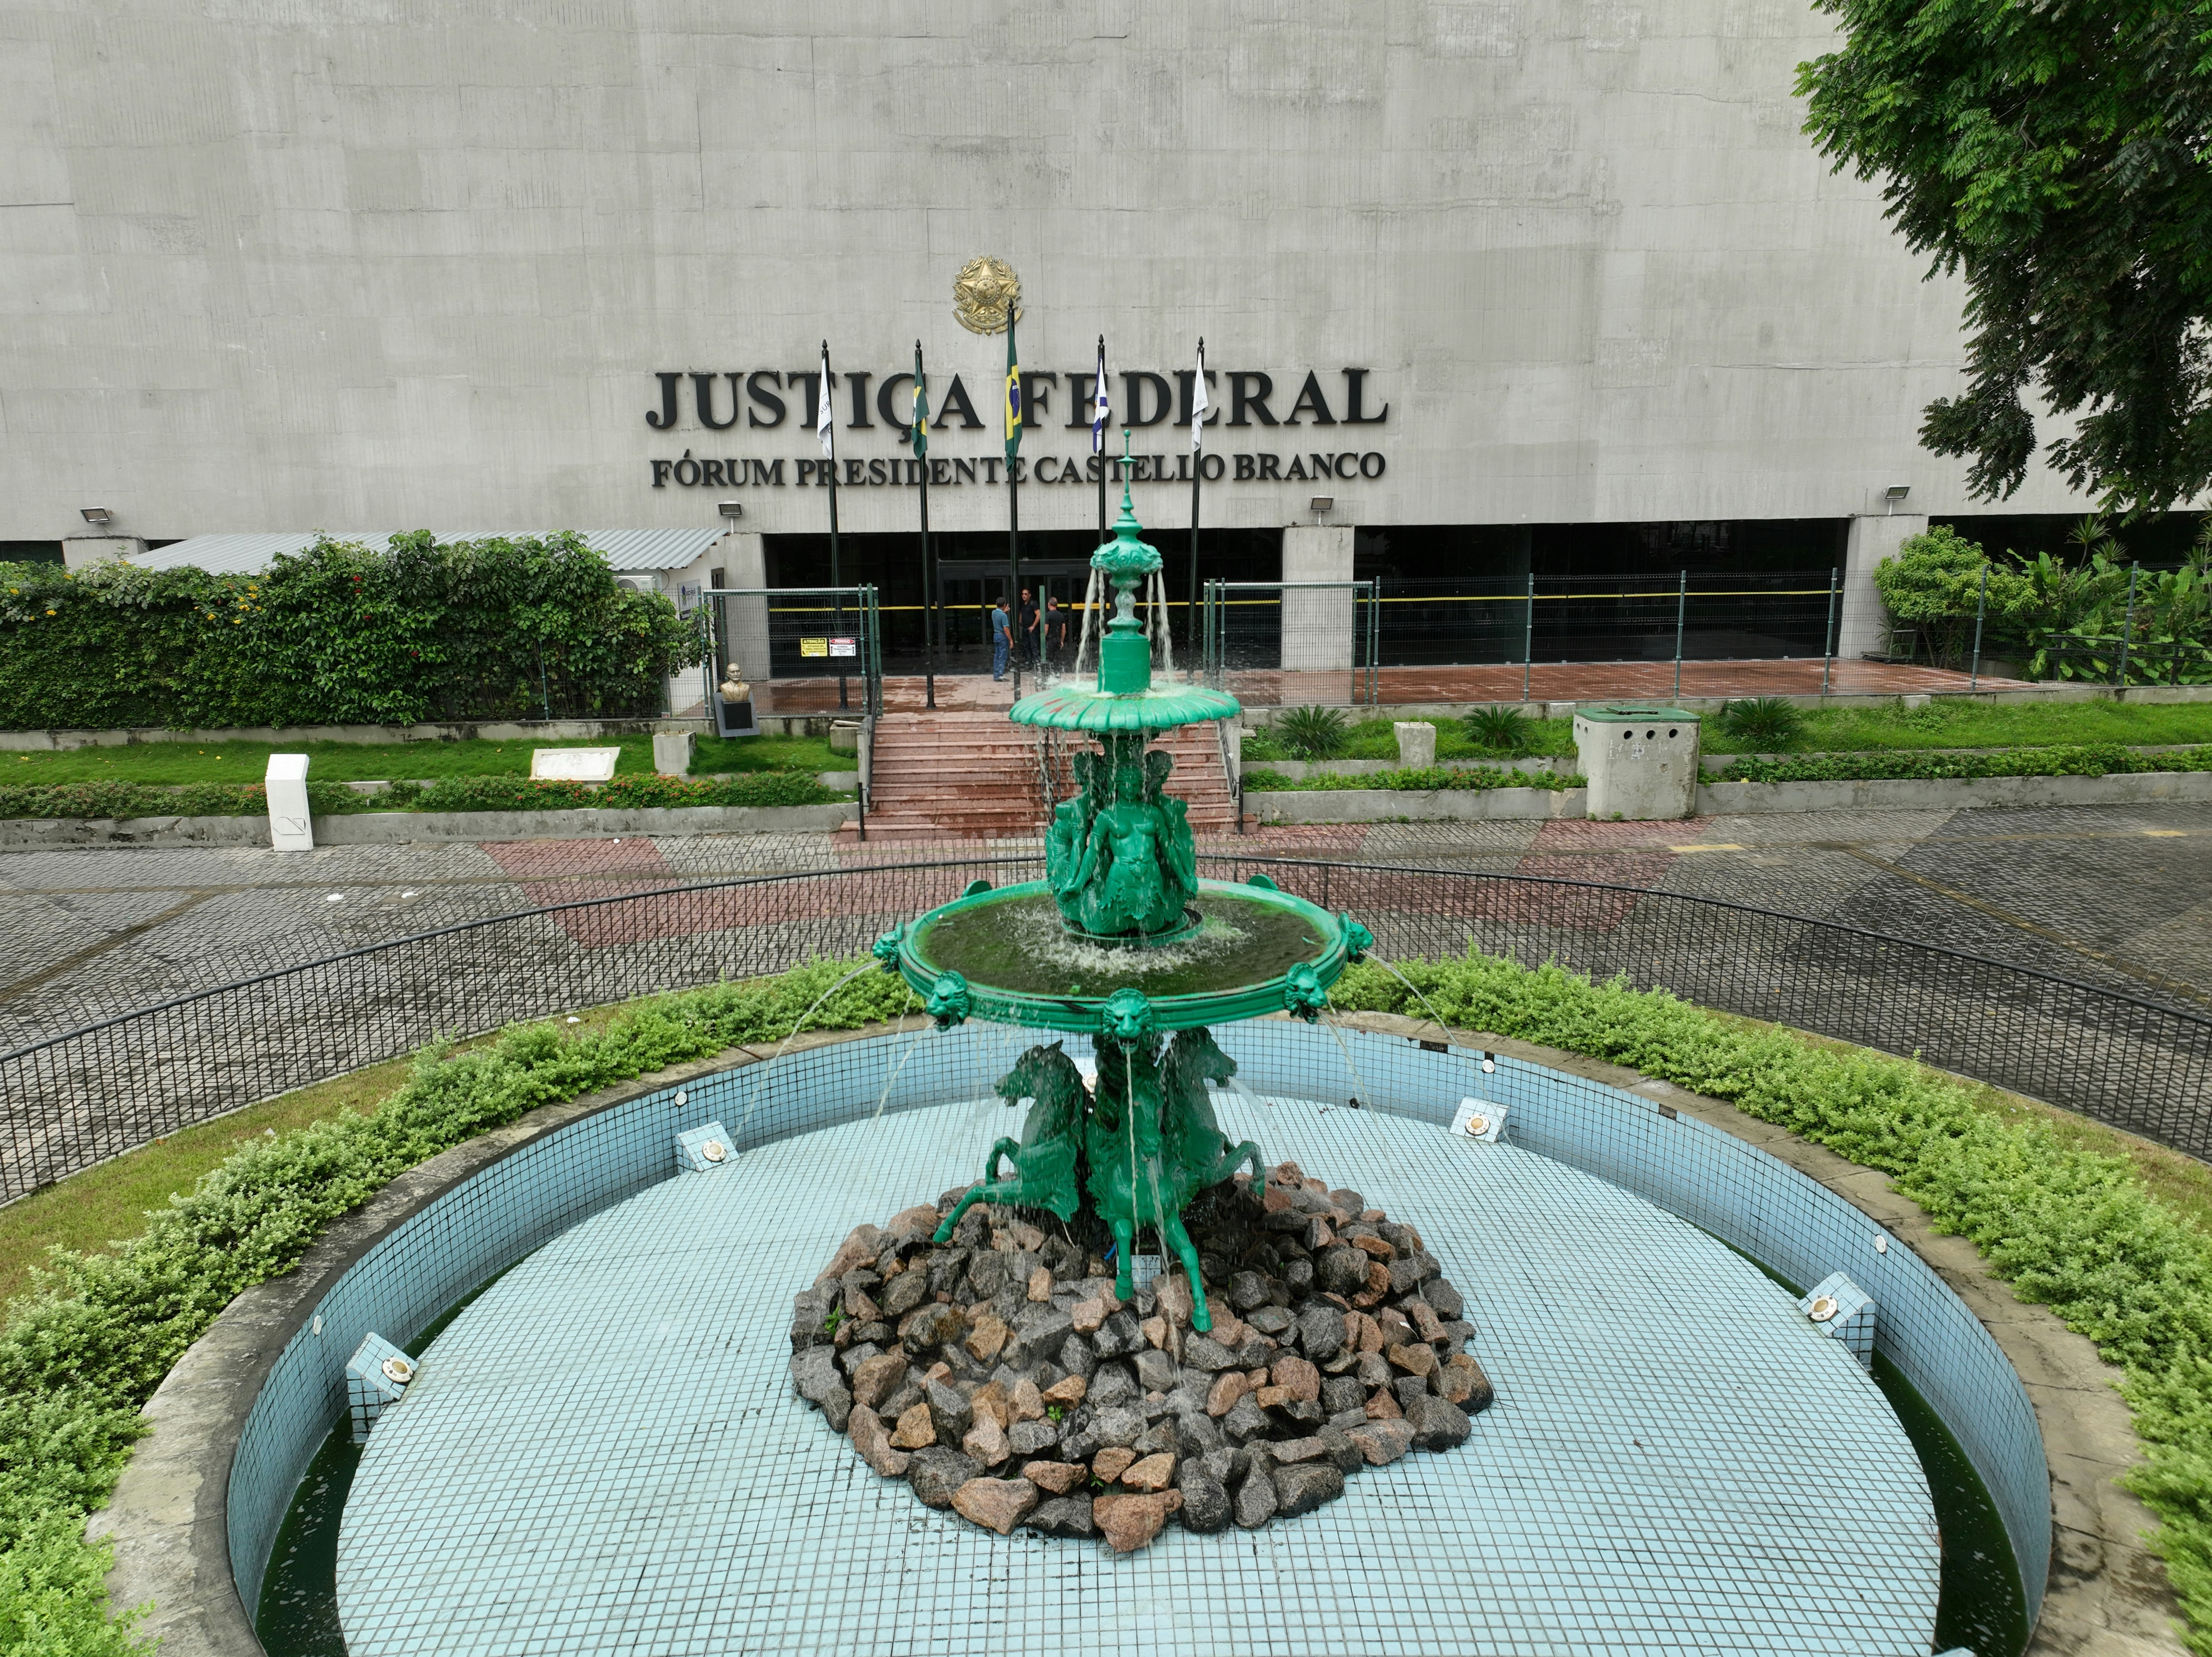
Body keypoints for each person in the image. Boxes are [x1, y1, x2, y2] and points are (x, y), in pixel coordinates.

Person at [990, 595, 1011, 681]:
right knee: (1002, 656)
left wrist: (1004, 612)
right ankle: (1000, 674)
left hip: (996, 635)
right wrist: (1011, 640)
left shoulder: (994, 613)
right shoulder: (1004, 616)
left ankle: (996, 674)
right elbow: (1006, 629)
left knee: (997, 656)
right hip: (1002, 636)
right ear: (1004, 605)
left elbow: (999, 614)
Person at [1018, 587, 1040, 668]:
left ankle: (1036, 663)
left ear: (1030, 595)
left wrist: (1033, 626)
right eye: (1023, 594)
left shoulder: (1033, 604)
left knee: (1034, 645)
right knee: (1026, 645)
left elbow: (1039, 615)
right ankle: (1029, 662)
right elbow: (1021, 613)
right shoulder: (1023, 604)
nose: (1024, 596)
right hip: (1025, 627)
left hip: (1032, 628)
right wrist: (1020, 623)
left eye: (1026, 594)